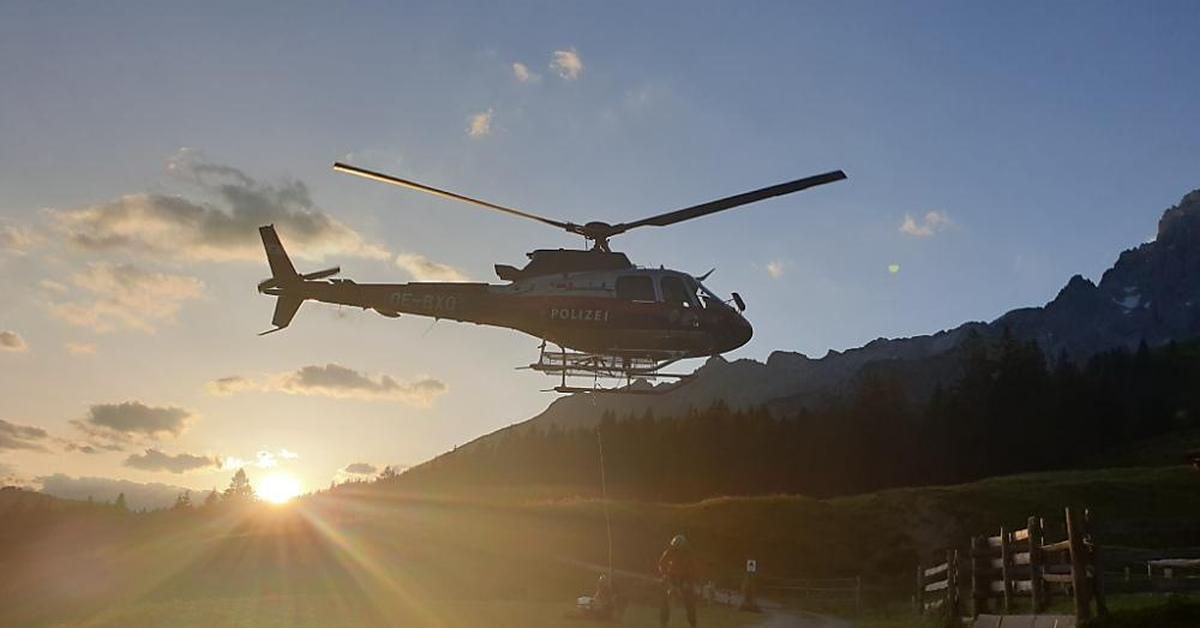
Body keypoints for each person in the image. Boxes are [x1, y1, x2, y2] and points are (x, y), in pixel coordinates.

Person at [658, 534, 697, 627]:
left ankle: (693, 624)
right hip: (671, 577)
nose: (677, 550)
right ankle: (664, 623)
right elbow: (661, 563)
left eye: (679, 548)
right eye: (676, 548)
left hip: (685, 578)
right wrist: (664, 574)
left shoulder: (688, 554)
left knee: (689, 603)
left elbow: (692, 569)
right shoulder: (670, 551)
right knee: (664, 599)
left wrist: (688, 582)